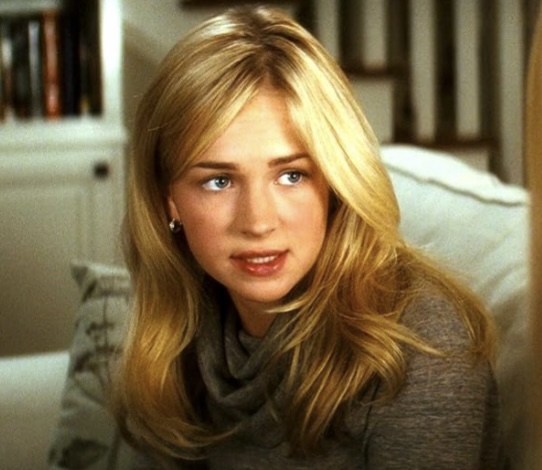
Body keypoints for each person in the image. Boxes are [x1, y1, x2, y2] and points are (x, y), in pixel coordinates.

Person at [113, 5, 501, 469]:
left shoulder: (422, 349)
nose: (258, 222)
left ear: (336, 182)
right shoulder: (180, 326)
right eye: (219, 181)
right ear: (169, 201)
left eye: (291, 175)